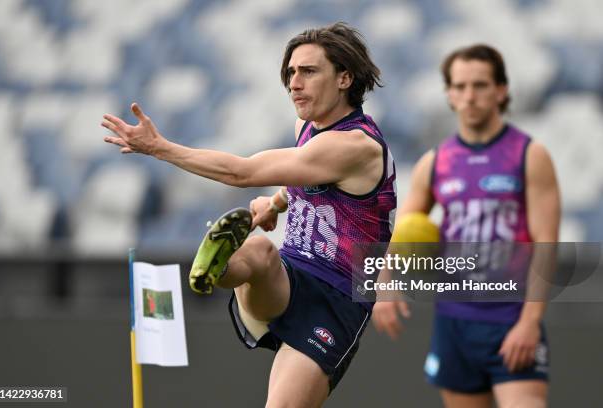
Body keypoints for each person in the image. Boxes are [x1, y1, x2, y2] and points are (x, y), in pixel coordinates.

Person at [102, 22, 397, 407]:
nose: (294, 82)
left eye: (308, 71)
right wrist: (277, 203)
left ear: (345, 78)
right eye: (291, 72)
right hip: (291, 275)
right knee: (260, 252)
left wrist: (160, 148)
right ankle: (217, 268)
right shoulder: (307, 128)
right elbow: (312, 177)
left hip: (337, 299)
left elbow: (242, 173)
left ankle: (222, 264)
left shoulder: (356, 145)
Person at [372, 44, 560, 408]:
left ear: (501, 91)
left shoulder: (528, 155)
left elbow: (546, 242)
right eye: (459, 87)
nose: (469, 96)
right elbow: (405, 227)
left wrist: (529, 321)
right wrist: (384, 286)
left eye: (480, 85)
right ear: (449, 94)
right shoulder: (436, 162)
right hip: (454, 321)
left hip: (511, 317)